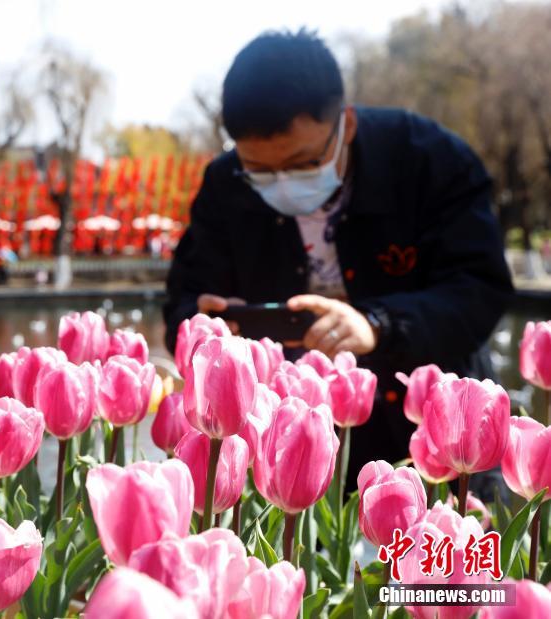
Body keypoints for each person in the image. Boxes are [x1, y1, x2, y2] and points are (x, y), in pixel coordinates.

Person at [163, 29, 514, 498]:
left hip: (445, 434)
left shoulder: (430, 161)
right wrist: (206, 330)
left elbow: (480, 289)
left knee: (449, 567)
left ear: (345, 125)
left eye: (303, 162)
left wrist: (380, 324)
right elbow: (182, 303)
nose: (282, 183)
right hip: (294, 446)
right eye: (260, 173)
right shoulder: (225, 185)